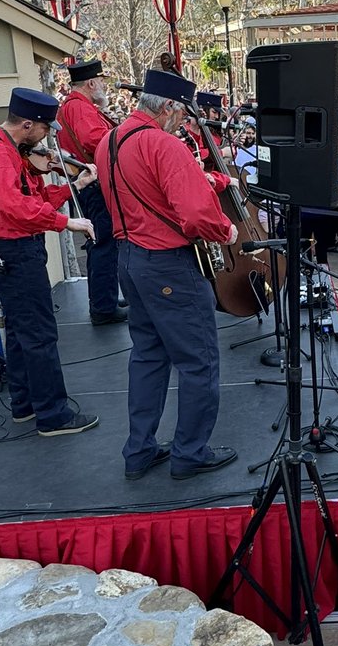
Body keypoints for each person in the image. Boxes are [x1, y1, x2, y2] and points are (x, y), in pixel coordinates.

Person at [95, 69, 239, 481]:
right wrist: (225, 230)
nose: (184, 123)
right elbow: (195, 213)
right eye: (183, 115)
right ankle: (190, 452)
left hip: (129, 259)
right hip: (167, 263)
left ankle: (139, 450)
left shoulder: (109, 141)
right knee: (198, 360)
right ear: (171, 107)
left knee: (147, 356)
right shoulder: (163, 144)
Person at [0, 87, 99, 436]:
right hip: (14, 251)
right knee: (39, 334)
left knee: (20, 331)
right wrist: (65, 222)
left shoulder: (10, 150)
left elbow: (33, 198)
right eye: (44, 129)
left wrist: (74, 185)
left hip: (12, 249)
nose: (47, 139)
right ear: (27, 125)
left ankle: (25, 404)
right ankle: (53, 416)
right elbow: (13, 208)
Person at [56, 58, 126, 325]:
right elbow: (94, 140)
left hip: (91, 184)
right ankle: (103, 307)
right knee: (103, 243)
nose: (104, 87)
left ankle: (105, 298)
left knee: (102, 243)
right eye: (101, 82)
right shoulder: (79, 108)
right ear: (91, 83)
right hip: (94, 184)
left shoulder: (73, 106)